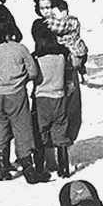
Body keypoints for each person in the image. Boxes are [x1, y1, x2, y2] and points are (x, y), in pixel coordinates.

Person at [0, 5, 47, 183]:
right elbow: (33, 72)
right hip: (16, 94)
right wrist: (22, 79)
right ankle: (27, 166)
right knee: (22, 129)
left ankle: (1, 166)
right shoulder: (20, 49)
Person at [32, 20, 81, 178]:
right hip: (59, 98)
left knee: (40, 134)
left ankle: (40, 169)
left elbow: (32, 74)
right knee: (60, 133)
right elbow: (71, 69)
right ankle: (64, 170)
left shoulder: (36, 58)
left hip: (41, 100)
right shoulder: (61, 56)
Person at [33, 0, 88, 78]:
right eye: (42, 8)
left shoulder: (66, 21)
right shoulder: (40, 24)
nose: (45, 12)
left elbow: (63, 26)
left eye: (48, 7)